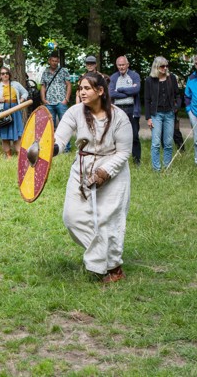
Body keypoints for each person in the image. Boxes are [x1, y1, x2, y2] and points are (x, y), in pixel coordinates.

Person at [54, 72, 132, 283]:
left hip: (113, 171)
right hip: (82, 167)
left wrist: (105, 172)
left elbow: (124, 152)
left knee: (108, 221)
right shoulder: (74, 112)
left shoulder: (119, 117)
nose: (82, 92)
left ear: (100, 91)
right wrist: (48, 150)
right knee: (72, 217)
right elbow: (59, 139)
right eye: (80, 88)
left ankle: (113, 268)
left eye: (87, 88)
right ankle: (101, 259)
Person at [144, 56, 181, 171]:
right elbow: (147, 100)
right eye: (162, 66)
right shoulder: (149, 80)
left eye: (166, 66)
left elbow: (177, 95)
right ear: (156, 67)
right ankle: (156, 170)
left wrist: (176, 107)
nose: (165, 68)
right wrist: (148, 118)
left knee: (168, 143)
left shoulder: (172, 78)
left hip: (170, 114)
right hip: (156, 115)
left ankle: (167, 167)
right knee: (155, 143)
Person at [0, 66, 29, 158]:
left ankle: (20, 154)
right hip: (2, 110)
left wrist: (21, 100)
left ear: (9, 75)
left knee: (18, 134)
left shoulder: (16, 84)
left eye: (7, 73)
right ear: (0, 75)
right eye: (3, 73)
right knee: (4, 134)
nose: (5, 75)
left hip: (15, 110)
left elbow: (25, 93)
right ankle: (8, 154)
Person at [109, 56, 141, 165]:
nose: (121, 67)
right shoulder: (113, 77)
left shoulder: (134, 75)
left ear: (127, 64)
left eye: (123, 65)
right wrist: (129, 92)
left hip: (132, 109)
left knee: (134, 136)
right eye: (119, 65)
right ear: (117, 66)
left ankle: (137, 161)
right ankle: (119, 161)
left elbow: (136, 90)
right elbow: (111, 93)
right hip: (118, 109)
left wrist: (121, 90)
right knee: (117, 135)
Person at [40, 51, 72, 128]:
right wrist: (43, 99)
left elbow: (68, 85)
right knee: (49, 126)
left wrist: (66, 99)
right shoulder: (45, 72)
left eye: (56, 61)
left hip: (61, 102)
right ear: (49, 61)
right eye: (52, 61)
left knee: (65, 125)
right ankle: (51, 140)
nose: (54, 63)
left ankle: (65, 140)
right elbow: (43, 86)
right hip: (49, 103)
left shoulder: (63, 71)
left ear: (58, 61)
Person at [185, 55, 197, 166]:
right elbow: (187, 96)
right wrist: (189, 111)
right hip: (195, 113)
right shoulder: (191, 78)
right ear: (194, 65)